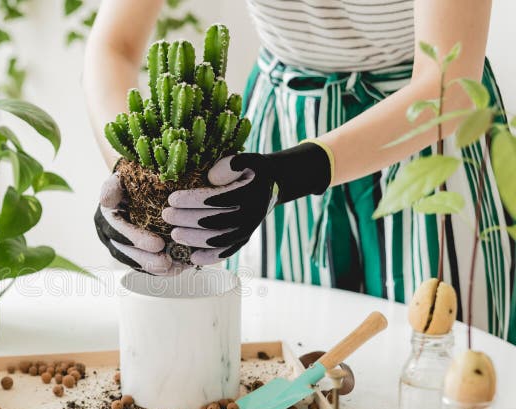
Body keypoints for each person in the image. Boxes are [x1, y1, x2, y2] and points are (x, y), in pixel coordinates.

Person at [84, 0, 515, 343]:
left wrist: (289, 175)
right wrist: (132, 177)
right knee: (284, 354)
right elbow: (114, 45)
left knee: (437, 360)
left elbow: (449, 86)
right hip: (283, 123)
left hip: (423, 132)